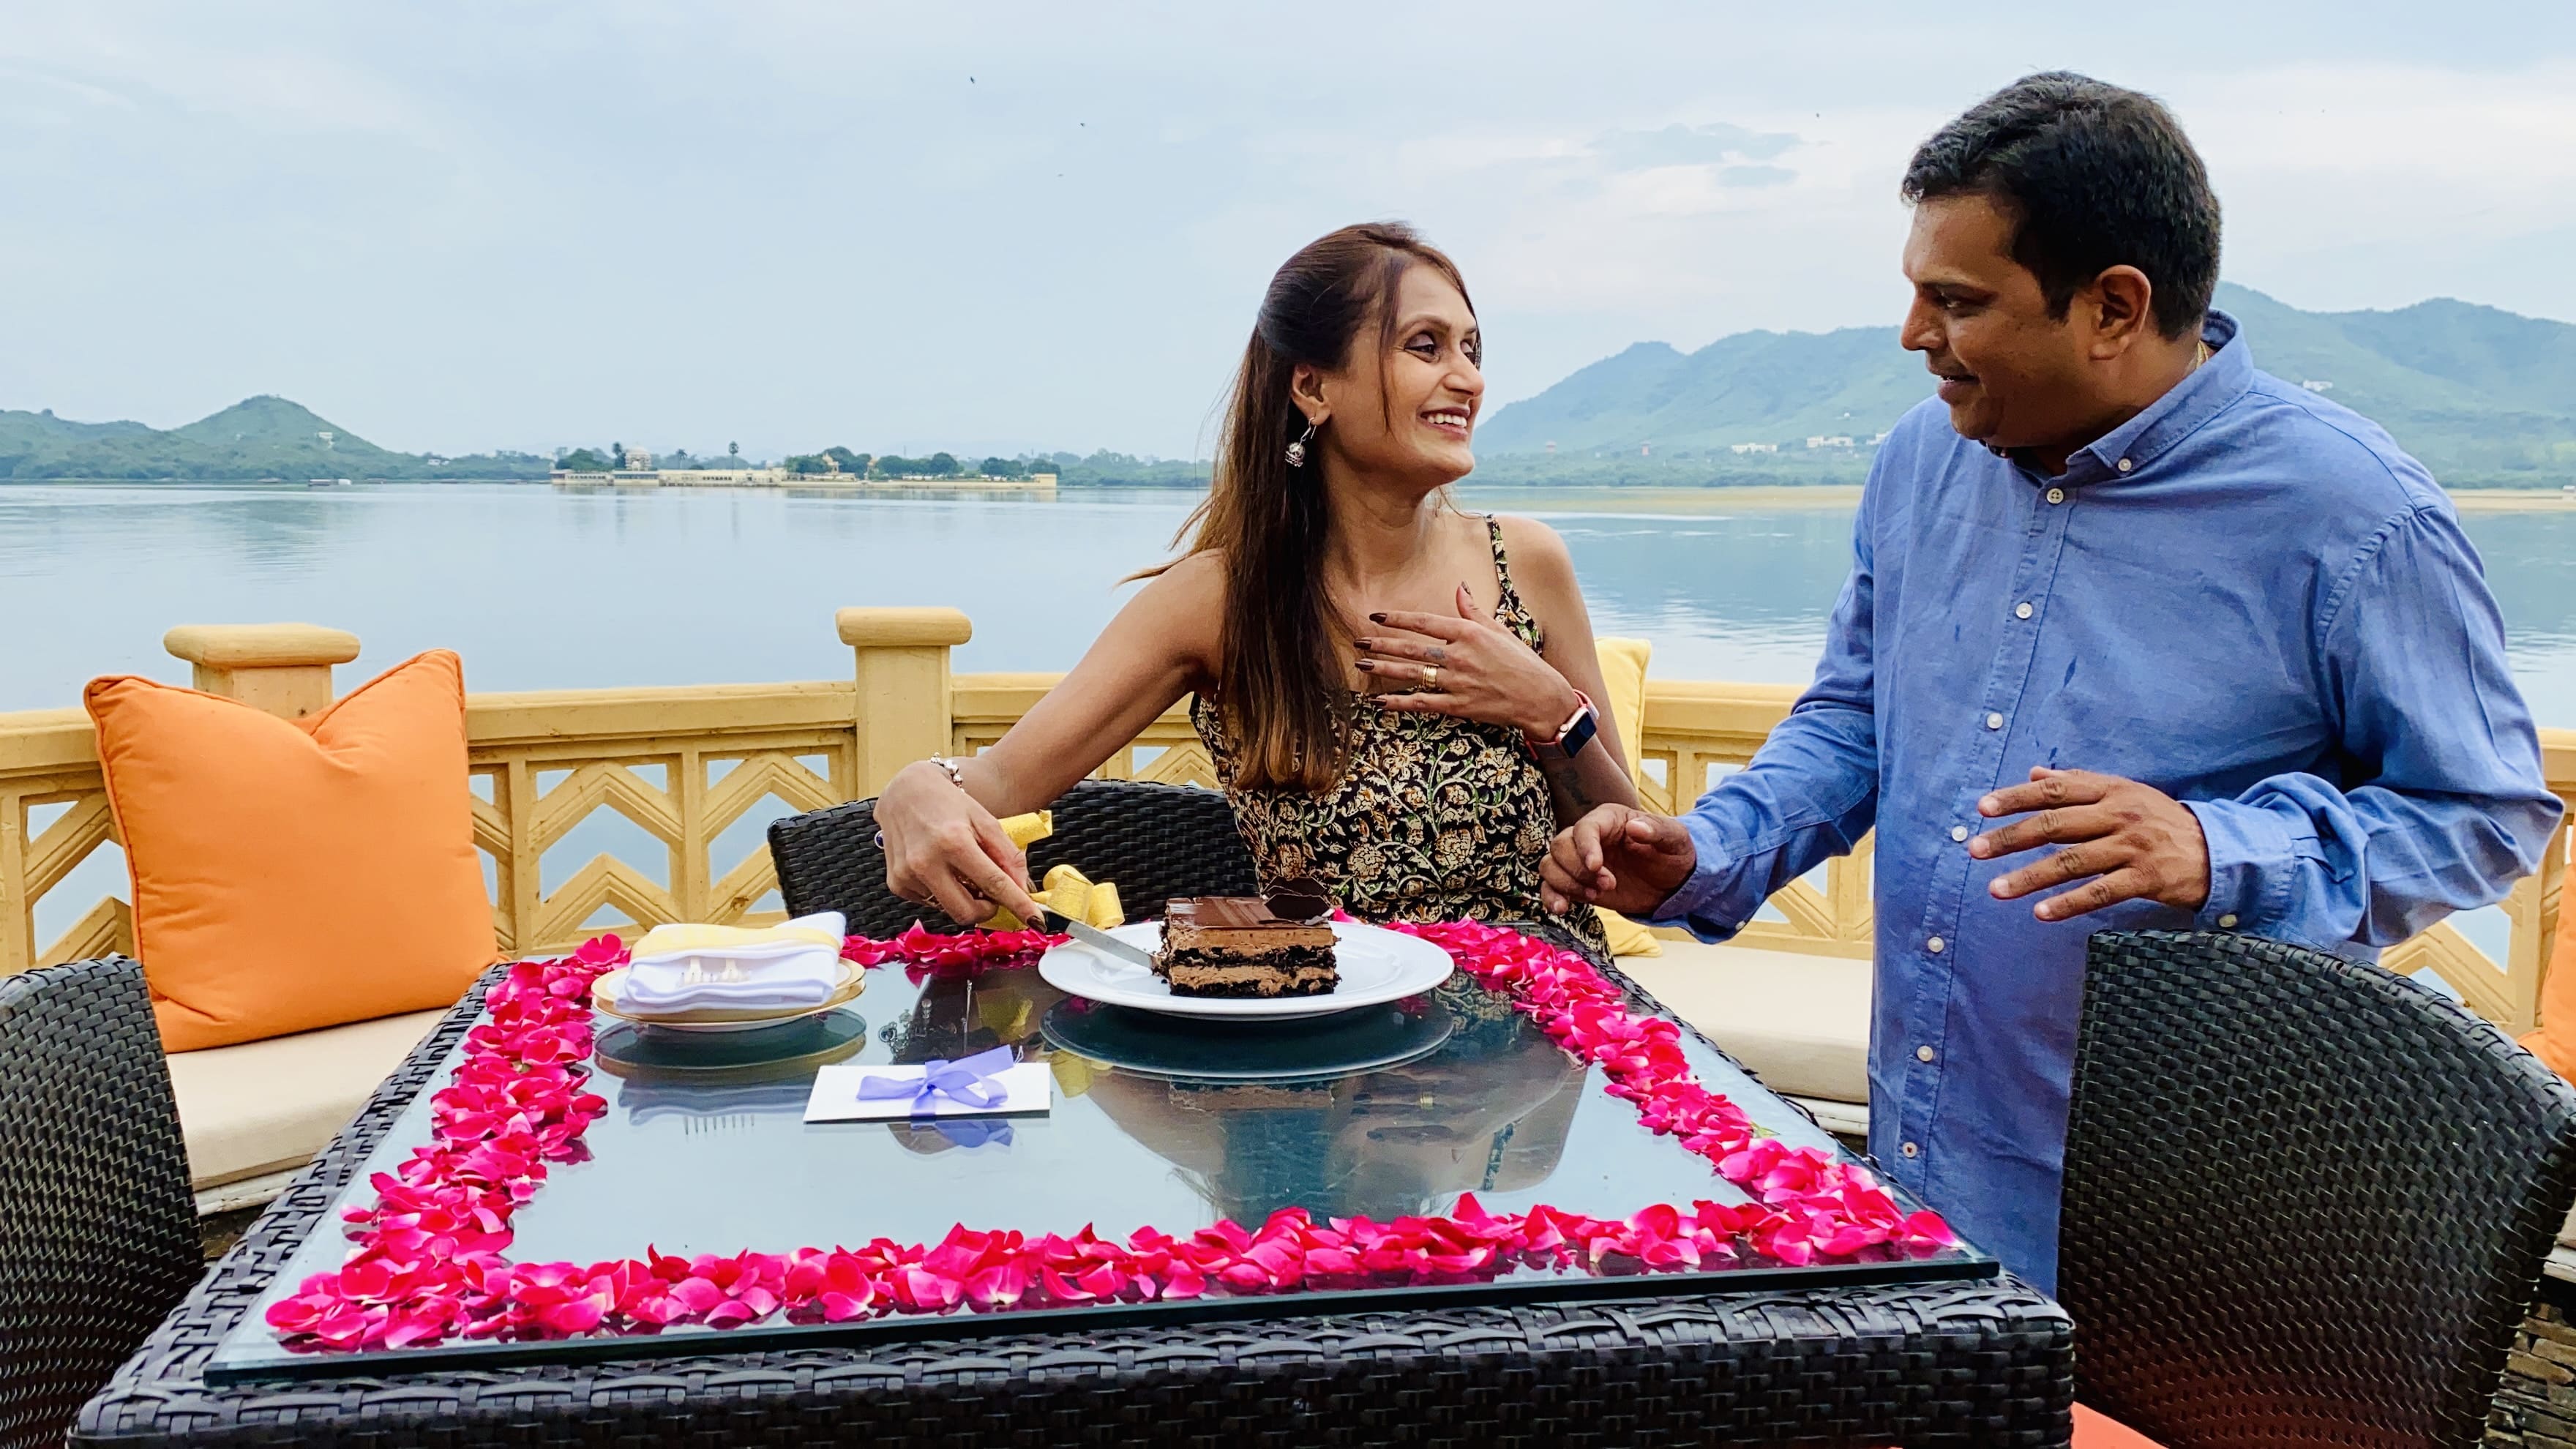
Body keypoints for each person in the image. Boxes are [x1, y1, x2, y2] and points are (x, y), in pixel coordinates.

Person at [1540, 72, 2564, 1292]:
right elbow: (1858, 718)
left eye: (1956, 300)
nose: (1916, 335)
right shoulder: (1920, 463)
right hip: (1928, 1171)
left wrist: (2218, 850)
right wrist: (1709, 849)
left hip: (2198, 1219)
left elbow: (2489, 811)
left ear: (2113, 307)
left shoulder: (2353, 516)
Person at [875, 222, 1636, 944]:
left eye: (1471, 349)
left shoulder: (1528, 564)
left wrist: (1550, 714)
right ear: (1313, 387)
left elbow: (1635, 871)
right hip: (1332, 1031)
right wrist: (913, 789)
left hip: (1546, 1018)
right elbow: (1002, 780)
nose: (1466, 379)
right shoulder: (1221, 599)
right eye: (1425, 346)